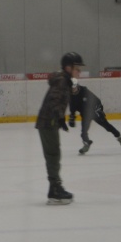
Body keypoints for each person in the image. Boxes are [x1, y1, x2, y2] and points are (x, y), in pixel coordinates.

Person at [36, 53, 78, 205]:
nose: (79, 72)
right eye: (77, 68)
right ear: (68, 68)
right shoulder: (62, 81)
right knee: (53, 155)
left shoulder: (64, 80)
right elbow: (54, 100)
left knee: (54, 154)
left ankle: (55, 186)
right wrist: (60, 117)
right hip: (48, 122)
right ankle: (55, 189)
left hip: (49, 121)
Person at [68, 74, 121, 154]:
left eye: (74, 88)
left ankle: (119, 137)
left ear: (77, 86)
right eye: (71, 88)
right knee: (83, 132)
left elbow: (97, 100)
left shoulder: (84, 91)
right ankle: (86, 143)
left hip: (93, 111)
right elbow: (72, 107)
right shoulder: (70, 96)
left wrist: (99, 110)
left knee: (107, 126)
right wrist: (72, 117)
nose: (73, 90)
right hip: (85, 115)